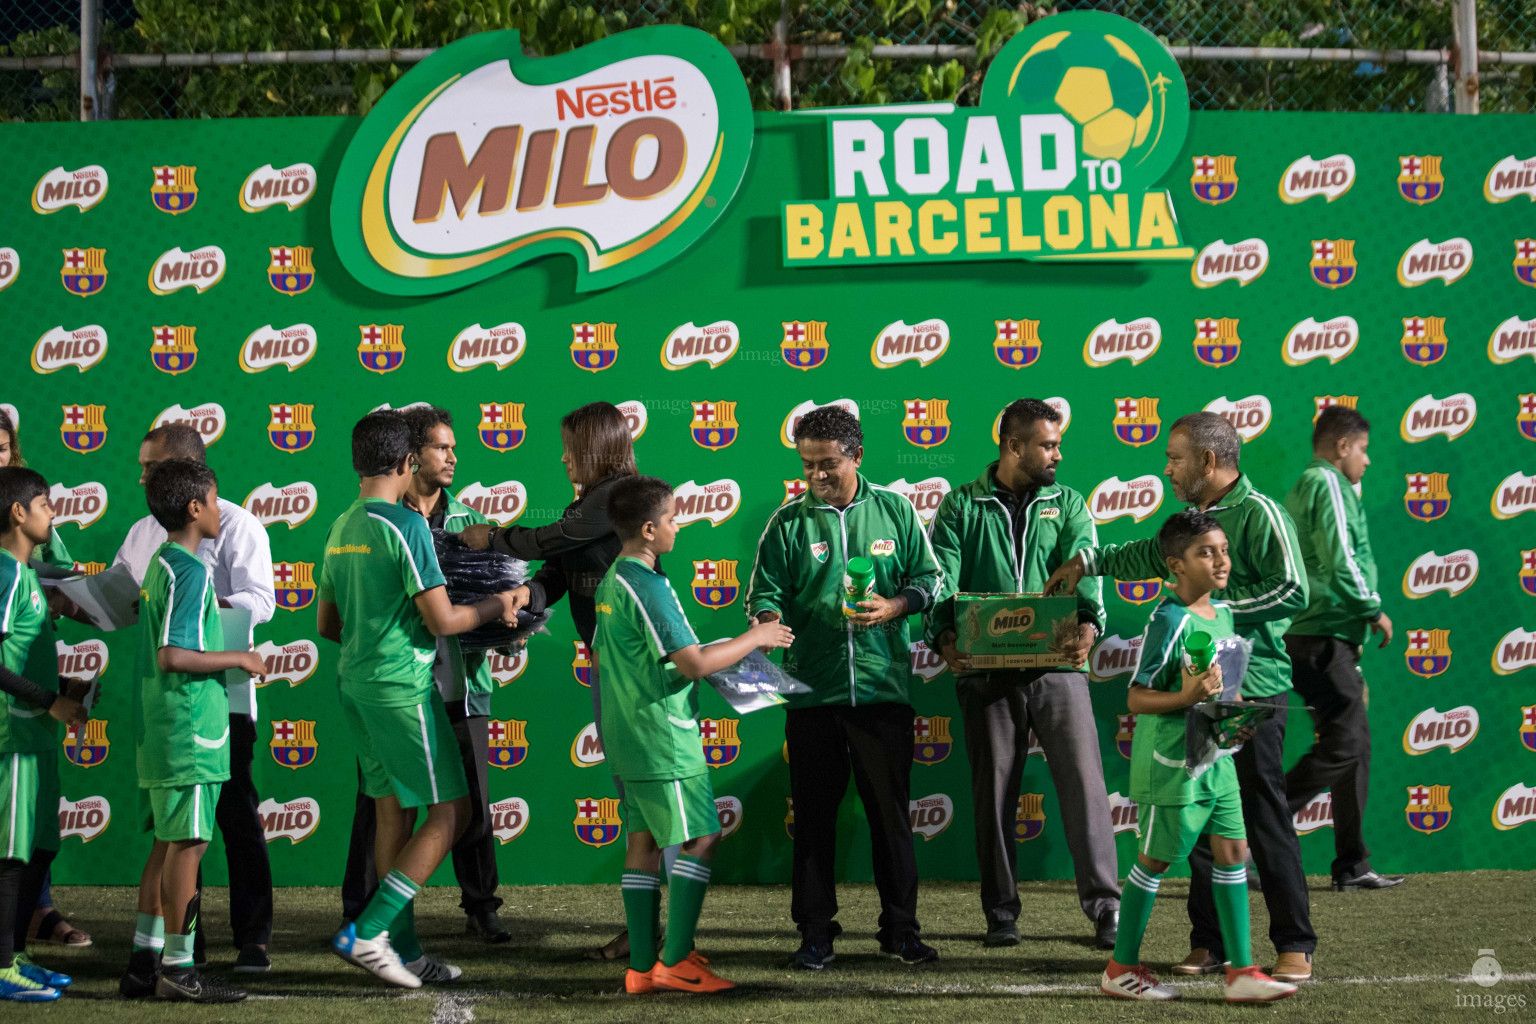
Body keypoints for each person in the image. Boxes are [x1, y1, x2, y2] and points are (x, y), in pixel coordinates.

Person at [1046, 412, 1317, 982]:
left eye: (1175, 458)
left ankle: (1294, 943)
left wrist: (1218, 615)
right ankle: (1209, 943)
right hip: (1195, 699)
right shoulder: (1192, 523)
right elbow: (1146, 554)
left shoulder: (1258, 512)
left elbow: (1294, 589)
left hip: (1255, 689)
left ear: (1209, 462)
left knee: (1262, 814)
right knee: (1203, 822)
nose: (1166, 468)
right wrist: (1086, 562)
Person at [321, 412, 521, 989]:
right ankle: (371, 930)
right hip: (402, 690)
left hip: (355, 684)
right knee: (452, 811)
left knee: (393, 811)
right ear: (408, 462)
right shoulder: (404, 527)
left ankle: (403, 949)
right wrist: (497, 608)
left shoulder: (341, 524)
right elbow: (444, 620)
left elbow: (327, 623)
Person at [746, 404, 944, 969]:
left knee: (891, 818)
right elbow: (764, 593)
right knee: (812, 821)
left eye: (828, 463)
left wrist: (895, 606)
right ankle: (814, 933)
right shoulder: (787, 523)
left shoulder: (897, 511)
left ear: (857, 456)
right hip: (812, 696)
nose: (816, 475)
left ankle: (901, 930)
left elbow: (931, 581)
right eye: (808, 465)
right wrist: (764, 620)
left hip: (883, 693)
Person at [459, 400, 656, 962]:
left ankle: (656, 933)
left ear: (598, 448)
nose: (565, 457)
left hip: (633, 665)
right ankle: (646, 928)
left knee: (643, 799)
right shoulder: (593, 500)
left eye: (574, 447)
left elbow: (547, 541)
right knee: (633, 798)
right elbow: (556, 571)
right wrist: (529, 599)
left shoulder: (617, 494)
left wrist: (491, 539)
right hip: (609, 663)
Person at [925, 398, 1121, 949]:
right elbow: (940, 580)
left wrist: (1087, 622)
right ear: (1014, 446)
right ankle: (1001, 912)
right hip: (985, 672)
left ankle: (1106, 906)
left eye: (1057, 444)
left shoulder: (1071, 502)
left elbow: (1086, 570)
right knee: (994, 794)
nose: (1058, 453)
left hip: (1056, 667)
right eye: (1048, 444)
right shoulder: (962, 505)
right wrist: (943, 636)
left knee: (1085, 784)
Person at [595, 475, 794, 994]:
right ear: (648, 530)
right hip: (663, 737)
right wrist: (756, 637)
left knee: (641, 842)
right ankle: (675, 961)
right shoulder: (648, 585)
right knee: (702, 837)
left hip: (627, 731)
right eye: (672, 518)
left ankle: (641, 966)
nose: (678, 526)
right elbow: (694, 663)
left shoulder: (612, 579)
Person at [1099, 509, 1296, 1003]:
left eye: (1224, 550)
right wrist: (1187, 699)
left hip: (1216, 755)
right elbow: (1137, 698)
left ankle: (1242, 973)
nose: (1221, 561)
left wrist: (1234, 709)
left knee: (1233, 852)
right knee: (1155, 861)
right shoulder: (1168, 618)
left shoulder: (1224, 612)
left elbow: (1214, 688)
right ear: (1175, 565)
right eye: (1206, 553)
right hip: (1172, 764)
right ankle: (1119, 969)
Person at [112, 424, 275, 972]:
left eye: (150, 467)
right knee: (186, 840)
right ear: (193, 502)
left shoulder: (230, 531)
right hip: (186, 714)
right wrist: (233, 654)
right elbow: (170, 652)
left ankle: (214, 945)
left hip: (208, 708)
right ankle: (181, 960)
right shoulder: (174, 562)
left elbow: (258, 601)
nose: (141, 478)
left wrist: (205, 620)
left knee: (213, 826)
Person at [1282, 406, 1403, 892]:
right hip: (1321, 633)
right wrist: (1373, 608)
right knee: (1347, 743)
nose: (1368, 461)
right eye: (1364, 450)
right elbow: (1340, 558)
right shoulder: (1326, 482)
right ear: (1341, 446)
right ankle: (1251, 834)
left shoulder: (1333, 485)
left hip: (1332, 634)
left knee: (1355, 748)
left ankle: (1352, 863)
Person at [0, 410, 92, 953]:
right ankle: (5, 964)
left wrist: (66, 688)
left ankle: (18, 955)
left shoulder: (32, 576)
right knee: (10, 855)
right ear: (19, 512)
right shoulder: (8, 575)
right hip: (12, 740)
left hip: (37, 737)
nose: (53, 515)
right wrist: (50, 699)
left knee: (39, 847)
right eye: (44, 506)